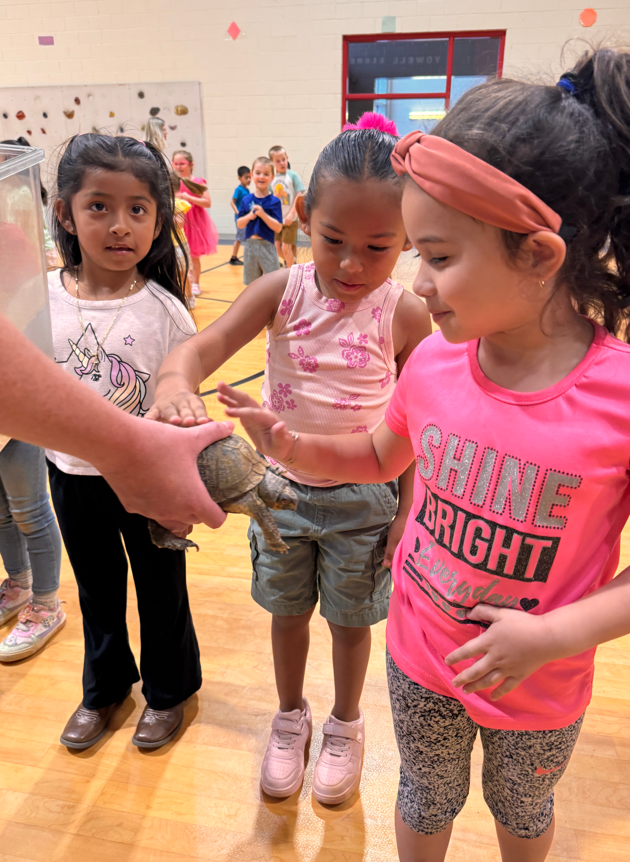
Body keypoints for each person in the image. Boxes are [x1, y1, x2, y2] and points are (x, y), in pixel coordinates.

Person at [215, 48, 630, 862]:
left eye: (437, 257)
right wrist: (291, 443)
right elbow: (379, 452)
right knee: (422, 795)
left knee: (522, 809)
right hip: (419, 659)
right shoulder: (437, 360)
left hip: (539, 686)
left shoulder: (617, 396)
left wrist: (551, 637)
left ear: (540, 257)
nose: (416, 281)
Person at [147, 115, 431, 804]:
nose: (351, 265)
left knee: (351, 621)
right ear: (304, 216)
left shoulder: (406, 313)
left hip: (367, 502)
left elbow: (423, 422)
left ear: (409, 239)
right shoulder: (283, 291)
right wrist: (176, 383)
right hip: (279, 494)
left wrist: (410, 512)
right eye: (332, 240)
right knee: (286, 614)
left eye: (378, 246)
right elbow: (199, 348)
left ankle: (345, 722)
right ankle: (289, 716)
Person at [46, 133, 205, 752]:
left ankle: (170, 691)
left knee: (161, 590)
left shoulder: (166, 314)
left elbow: (184, 406)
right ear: (65, 212)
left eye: (138, 209)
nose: (120, 226)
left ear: (160, 220)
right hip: (71, 476)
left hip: (146, 481)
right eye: (99, 207)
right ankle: (105, 688)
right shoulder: (45, 299)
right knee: (96, 589)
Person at [0, 314, 232, 530]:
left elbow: (194, 350)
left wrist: (173, 388)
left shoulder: (167, 311)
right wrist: (125, 447)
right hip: (72, 473)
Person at [0, 437, 63, 661]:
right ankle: (19, 588)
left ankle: (48, 609)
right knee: (2, 516)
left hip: (15, 423)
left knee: (31, 515)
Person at [172, 149, 219, 296]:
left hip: (194, 223)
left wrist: (188, 197)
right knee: (178, 254)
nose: (179, 167)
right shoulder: (173, 182)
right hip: (177, 222)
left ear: (190, 164)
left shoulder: (198, 182)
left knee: (193, 255)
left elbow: (207, 202)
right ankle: (183, 281)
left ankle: (195, 283)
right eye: (176, 163)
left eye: (182, 163)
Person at [234, 156, 282, 286]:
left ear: (272, 177)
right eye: (258, 173)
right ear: (252, 174)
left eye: (266, 174)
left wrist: (263, 214)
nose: (261, 177)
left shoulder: (274, 201)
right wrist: (249, 216)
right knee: (251, 284)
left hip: (267, 245)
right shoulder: (246, 200)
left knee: (274, 283)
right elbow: (240, 223)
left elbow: (278, 227)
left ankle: (274, 306)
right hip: (250, 246)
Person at [269, 145, 305, 269]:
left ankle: (291, 274)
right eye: (278, 161)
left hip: (291, 220)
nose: (282, 163)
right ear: (272, 163)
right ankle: (294, 265)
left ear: (287, 158)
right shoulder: (272, 180)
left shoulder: (292, 176)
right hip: (278, 220)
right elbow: (270, 199)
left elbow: (300, 194)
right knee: (277, 247)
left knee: (286, 247)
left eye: (283, 159)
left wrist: (291, 213)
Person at [229, 165, 251, 266]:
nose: (249, 179)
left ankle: (248, 257)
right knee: (239, 238)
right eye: (246, 177)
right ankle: (233, 257)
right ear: (239, 178)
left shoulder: (247, 190)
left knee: (246, 238)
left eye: (250, 177)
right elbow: (232, 202)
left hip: (246, 218)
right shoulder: (239, 189)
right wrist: (238, 212)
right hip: (241, 219)